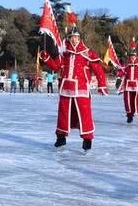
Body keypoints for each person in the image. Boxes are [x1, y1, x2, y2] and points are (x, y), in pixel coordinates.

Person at [40, 20, 108, 151]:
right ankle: (61, 138)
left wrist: (102, 85)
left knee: (85, 114)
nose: (74, 40)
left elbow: (98, 69)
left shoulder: (87, 53)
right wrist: (47, 58)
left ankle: (87, 139)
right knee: (63, 114)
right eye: (72, 37)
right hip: (66, 88)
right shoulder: (64, 53)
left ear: (80, 38)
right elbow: (56, 66)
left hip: (81, 89)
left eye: (76, 37)